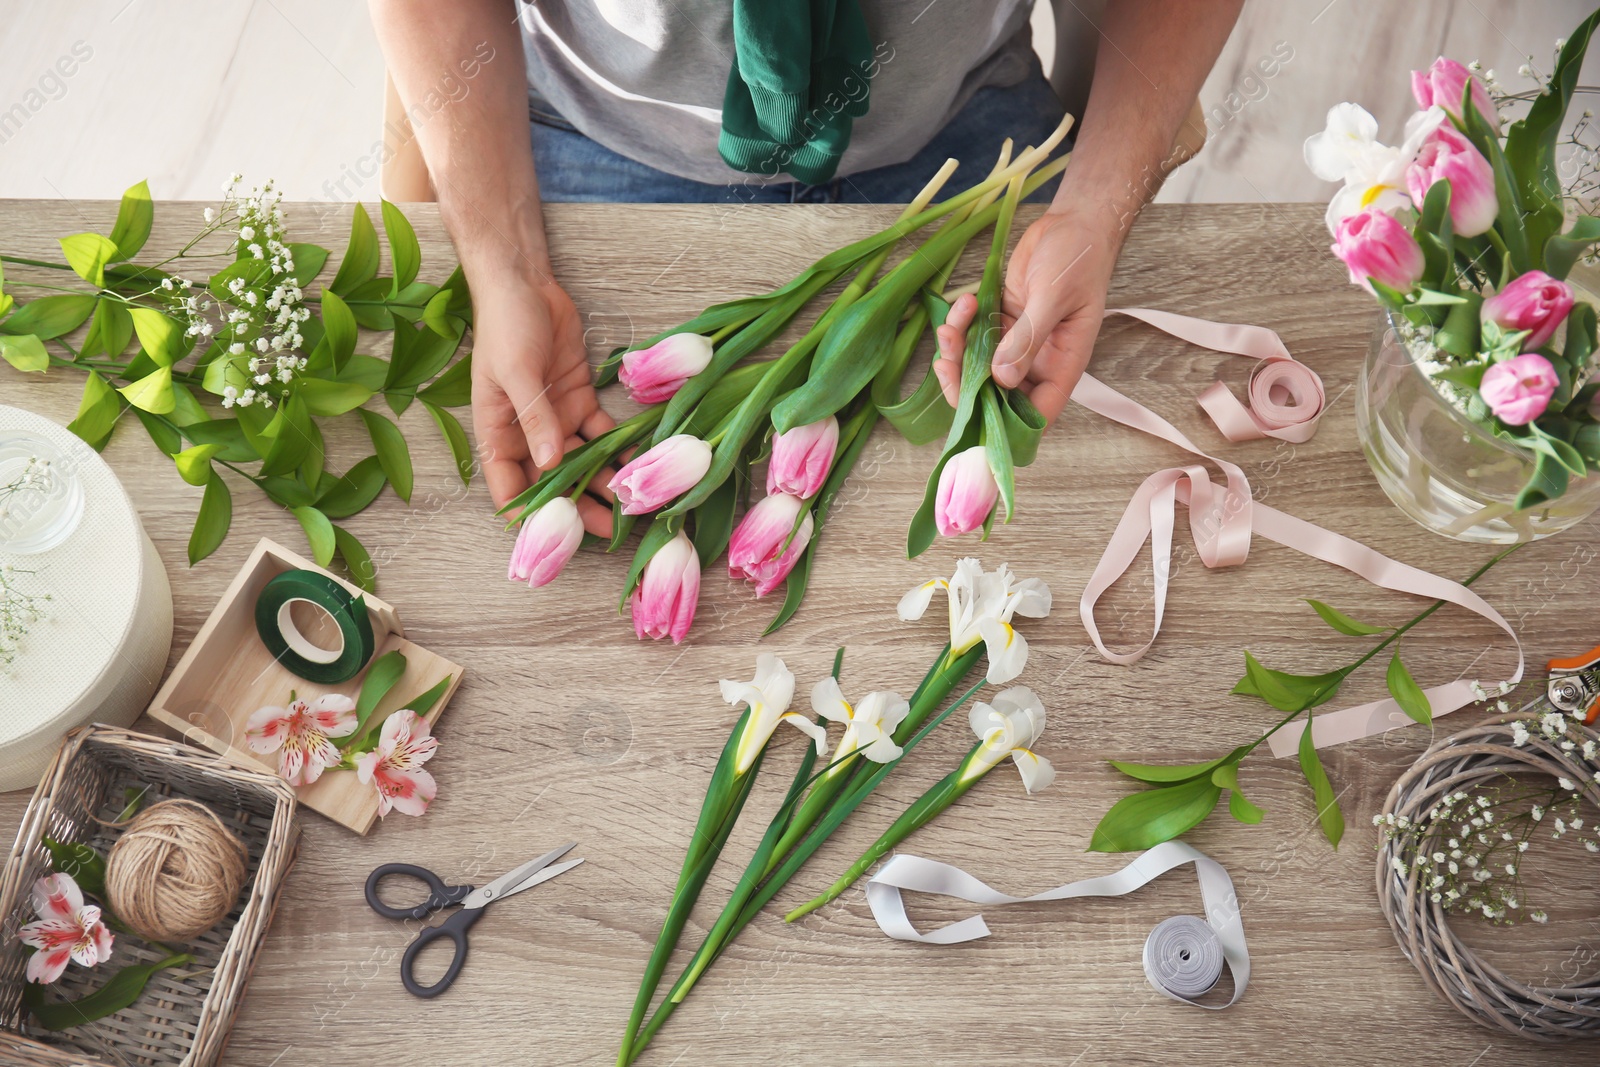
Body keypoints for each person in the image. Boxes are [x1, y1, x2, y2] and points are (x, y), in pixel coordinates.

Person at [369, 0, 1244, 535]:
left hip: (955, 122)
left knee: (1052, 499)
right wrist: (506, 269)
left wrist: (1091, 210)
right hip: (599, 138)